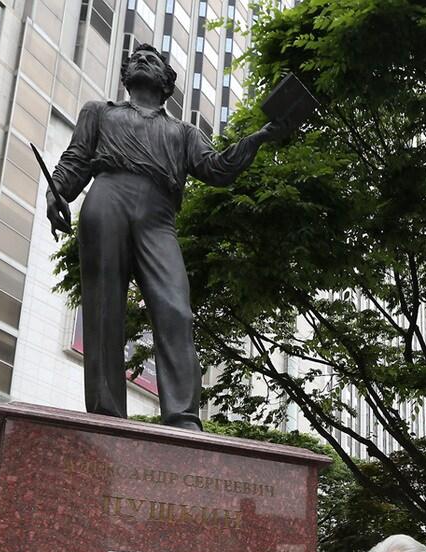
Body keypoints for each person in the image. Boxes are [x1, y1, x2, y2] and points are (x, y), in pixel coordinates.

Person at [48, 44, 289, 429]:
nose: (142, 60)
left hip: (159, 215)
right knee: (104, 305)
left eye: (153, 59)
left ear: (166, 82)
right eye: (137, 58)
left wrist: (257, 139)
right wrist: (56, 191)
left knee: (175, 309)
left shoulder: (183, 132)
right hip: (107, 195)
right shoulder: (99, 112)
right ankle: (106, 413)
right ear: (127, 74)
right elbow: (75, 160)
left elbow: (217, 169)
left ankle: (182, 416)